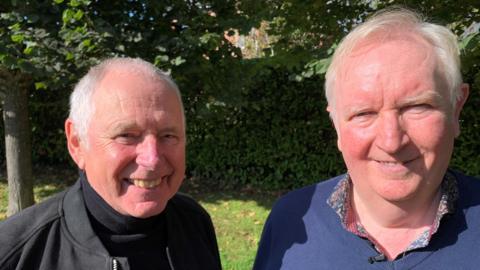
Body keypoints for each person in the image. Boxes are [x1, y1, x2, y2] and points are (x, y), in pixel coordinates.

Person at [254, 7, 480, 270]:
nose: (392, 141)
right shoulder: (289, 221)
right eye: (364, 113)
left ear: (456, 108)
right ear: (336, 123)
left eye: (416, 107)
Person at [0, 57, 222, 270]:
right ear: (77, 142)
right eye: (126, 135)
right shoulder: (15, 253)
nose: (152, 158)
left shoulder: (194, 222)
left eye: (168, 135)